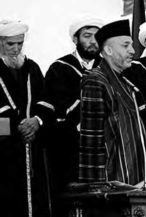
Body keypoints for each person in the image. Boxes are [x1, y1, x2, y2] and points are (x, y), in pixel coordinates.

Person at [37, 14, 103, 216]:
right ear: (75, 40)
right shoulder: (60, 68)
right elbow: (59, 112)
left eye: (96, 36)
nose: (93, 41)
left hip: (104, 149)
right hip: (73, 150)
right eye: (87, 35)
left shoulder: (107, 67)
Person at [79, 19, 146, 185]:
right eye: (126, 45)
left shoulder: (128, 84)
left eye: (132, 46)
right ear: (108, 50)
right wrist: (97, 187)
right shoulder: (95, 80)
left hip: (136, 178)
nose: (133, 51)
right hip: (112, 182)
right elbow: (92, 138)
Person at [0, 19, 48, 217]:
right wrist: (17, 127)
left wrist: (36, 121)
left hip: (32, 149)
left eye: (20, 43)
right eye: (11, 44)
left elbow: (47, 102)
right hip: (4, 152)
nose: (16, 48)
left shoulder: (32, 68)